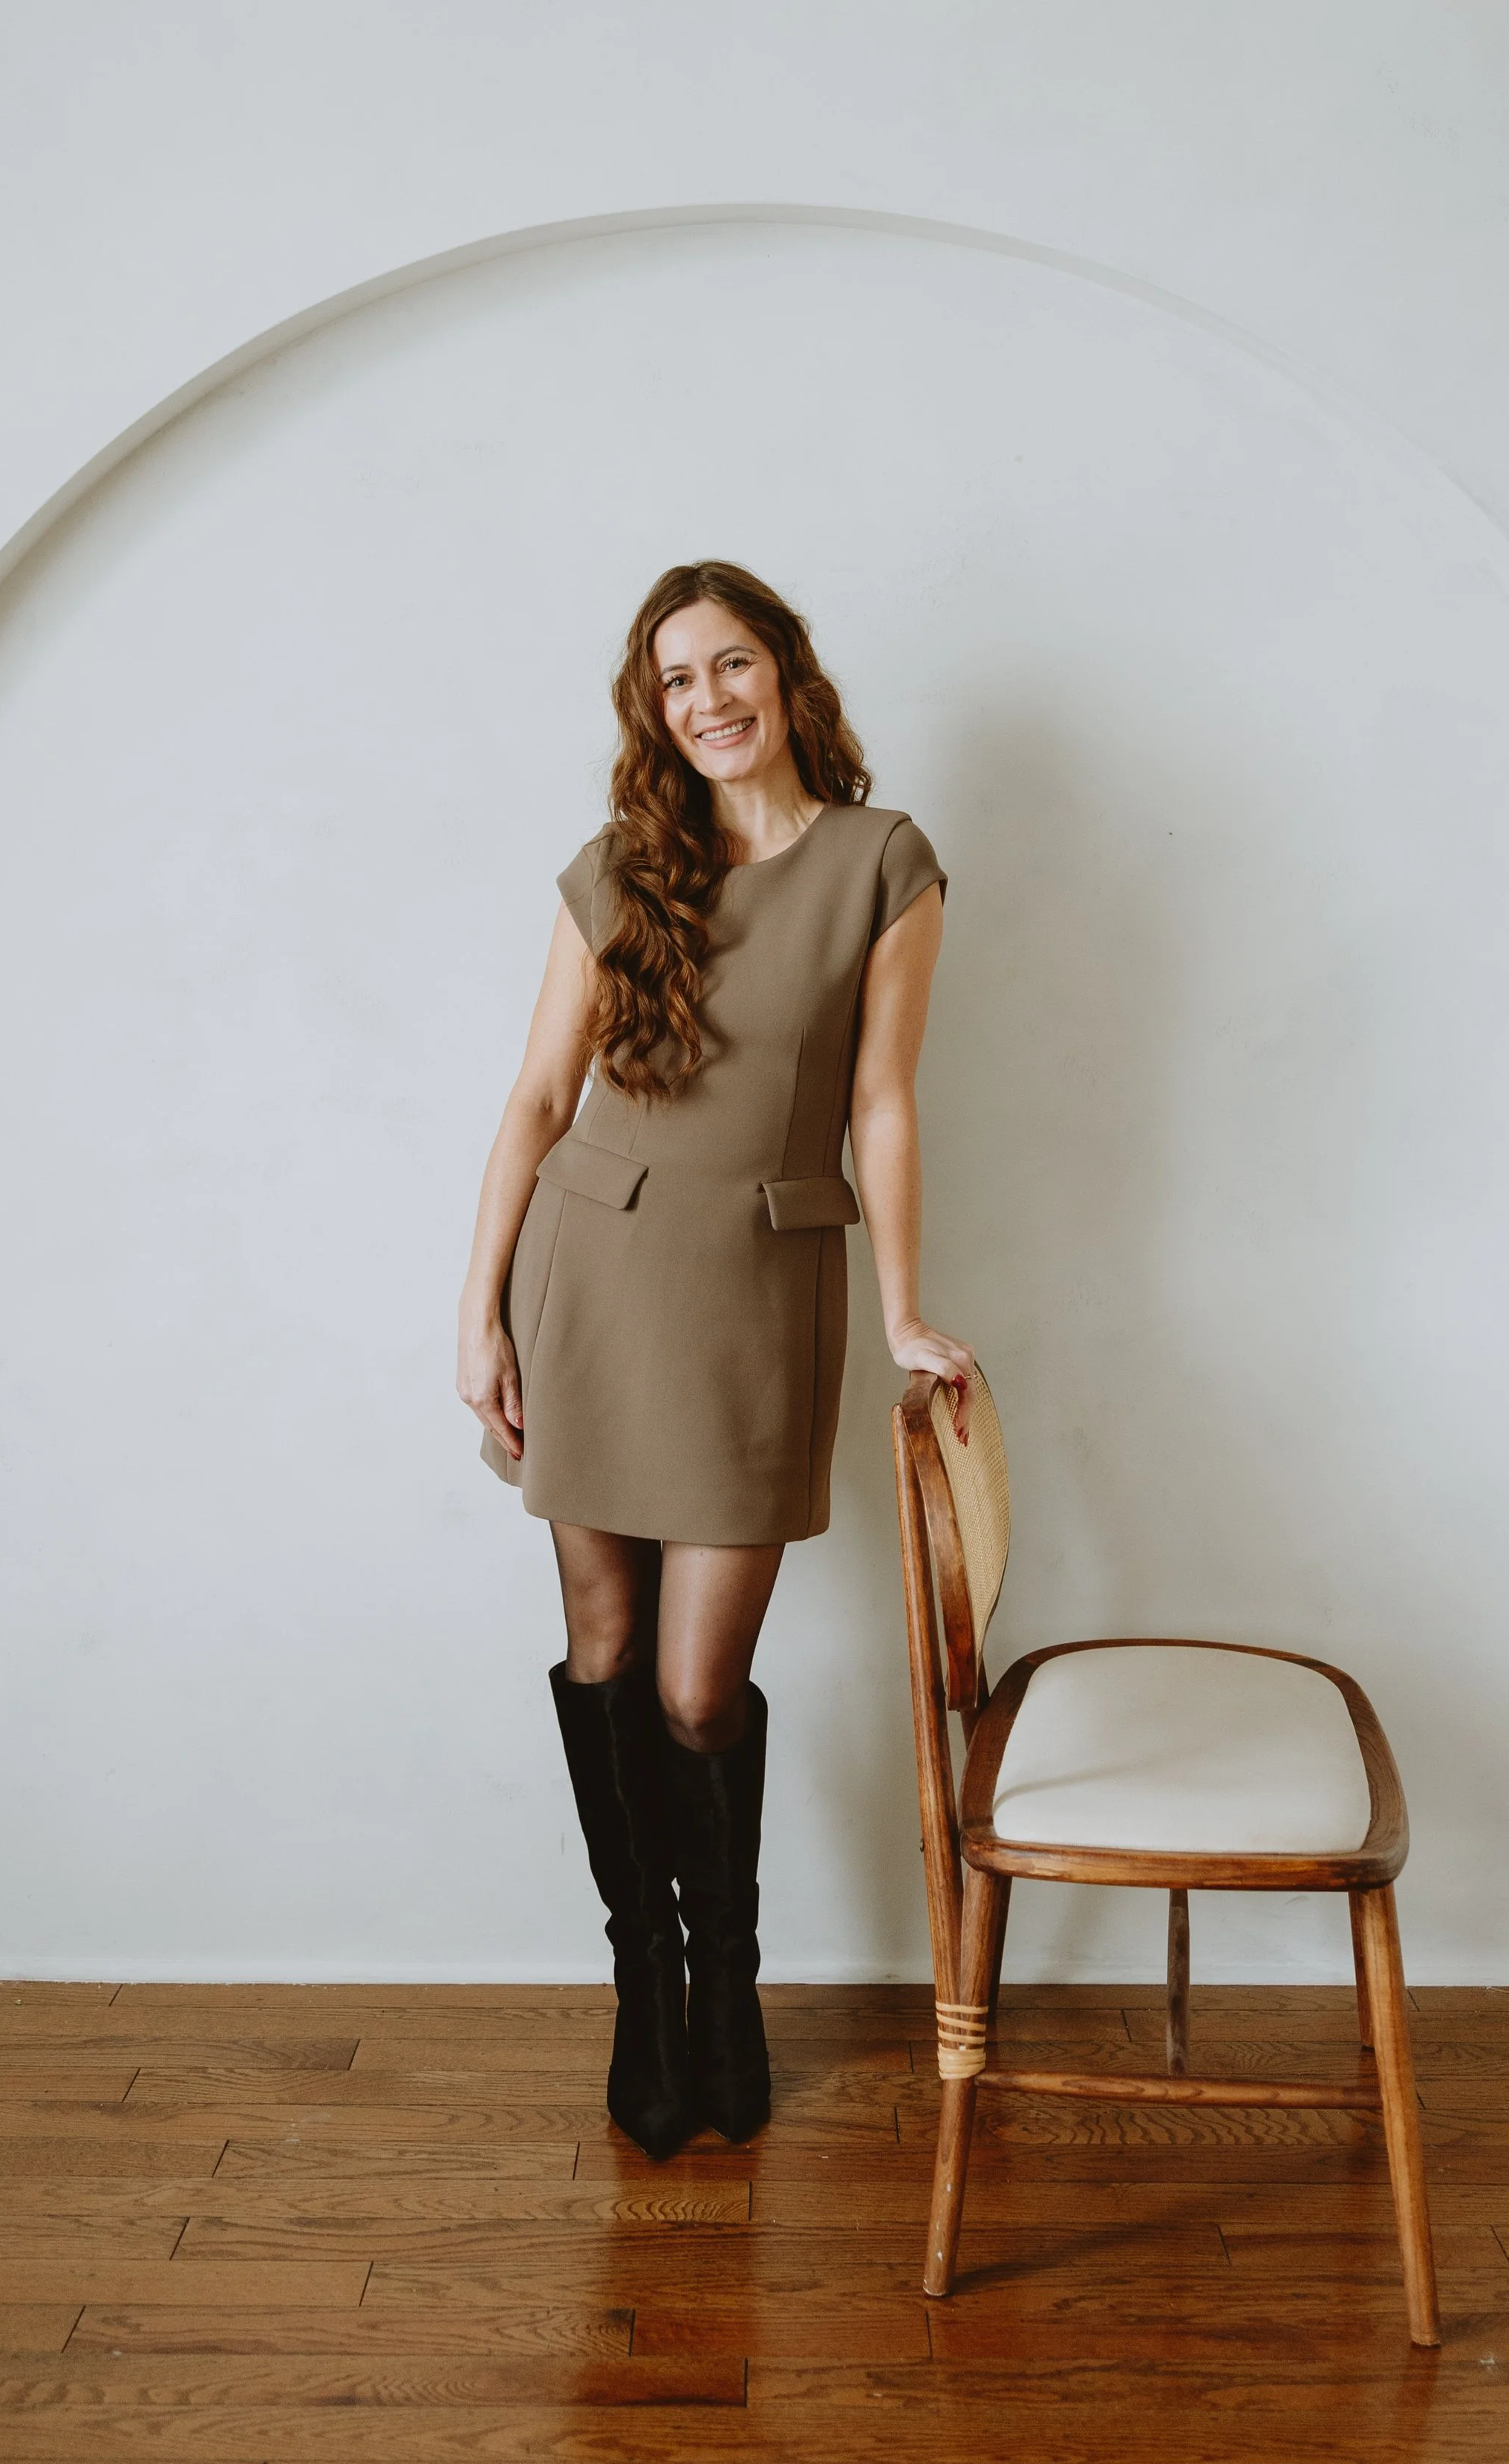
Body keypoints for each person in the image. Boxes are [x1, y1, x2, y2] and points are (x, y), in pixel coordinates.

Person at [457, 560, 972, 2159]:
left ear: (785, 672)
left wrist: (899, 1306)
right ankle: (646, 1985)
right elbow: (536, 1100)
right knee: (604, 1653)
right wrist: (476, 1309)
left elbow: (879, 1100)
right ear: (653, 714)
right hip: (588, 1268)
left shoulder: (883, 862)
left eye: (728, 664)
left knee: (695, 1687)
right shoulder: (618, 868)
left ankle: (726, 1979)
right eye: (674, 682)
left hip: (758, 1280)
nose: (706, 701)